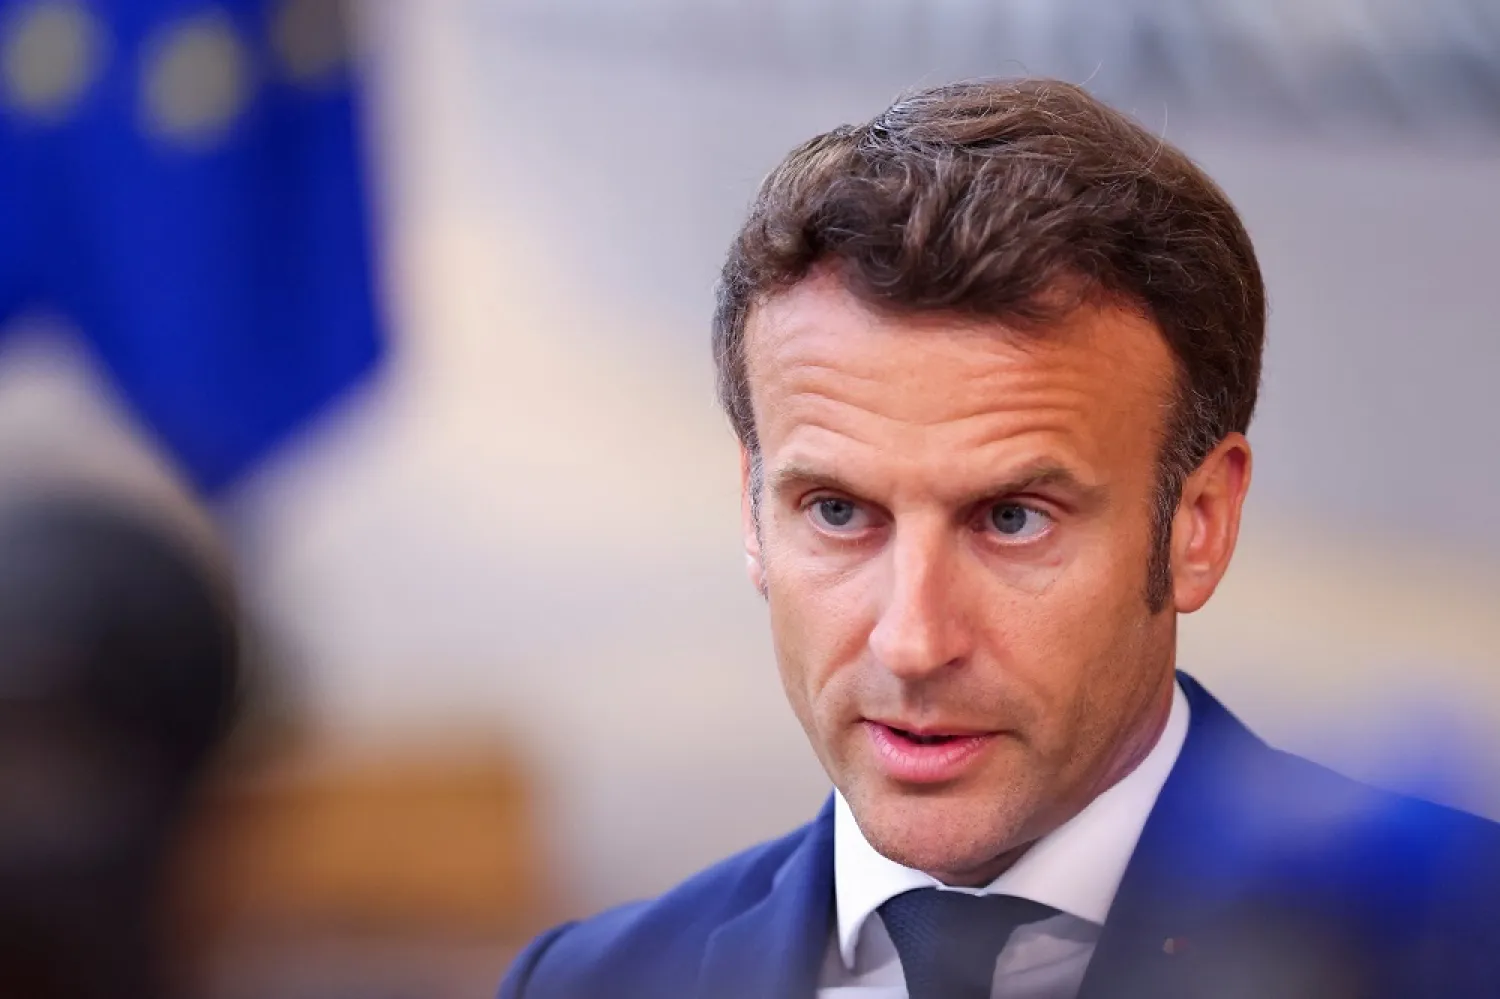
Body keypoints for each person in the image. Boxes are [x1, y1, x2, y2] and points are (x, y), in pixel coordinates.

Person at [498, 77, 1500, 998]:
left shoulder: (1457, 945)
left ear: (1198, 525)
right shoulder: (588, 984)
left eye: (1012, 520)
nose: (914, 642)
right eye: (839, 513)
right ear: (753, 509)